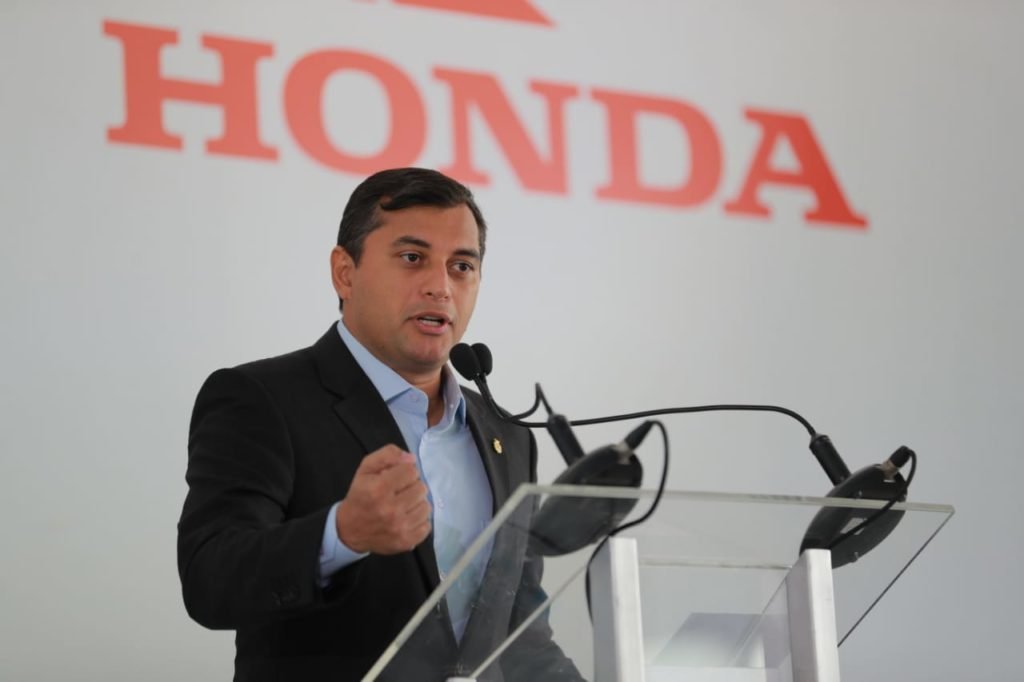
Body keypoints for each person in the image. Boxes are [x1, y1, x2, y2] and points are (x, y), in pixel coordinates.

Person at [177, 168, 583, 681]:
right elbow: (210, 580)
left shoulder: (510, 436)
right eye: (412, 258)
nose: (440, 287)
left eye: (461, 266)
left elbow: (521, 636)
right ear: (345, 273)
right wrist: (341, 534)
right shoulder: (261, 399)